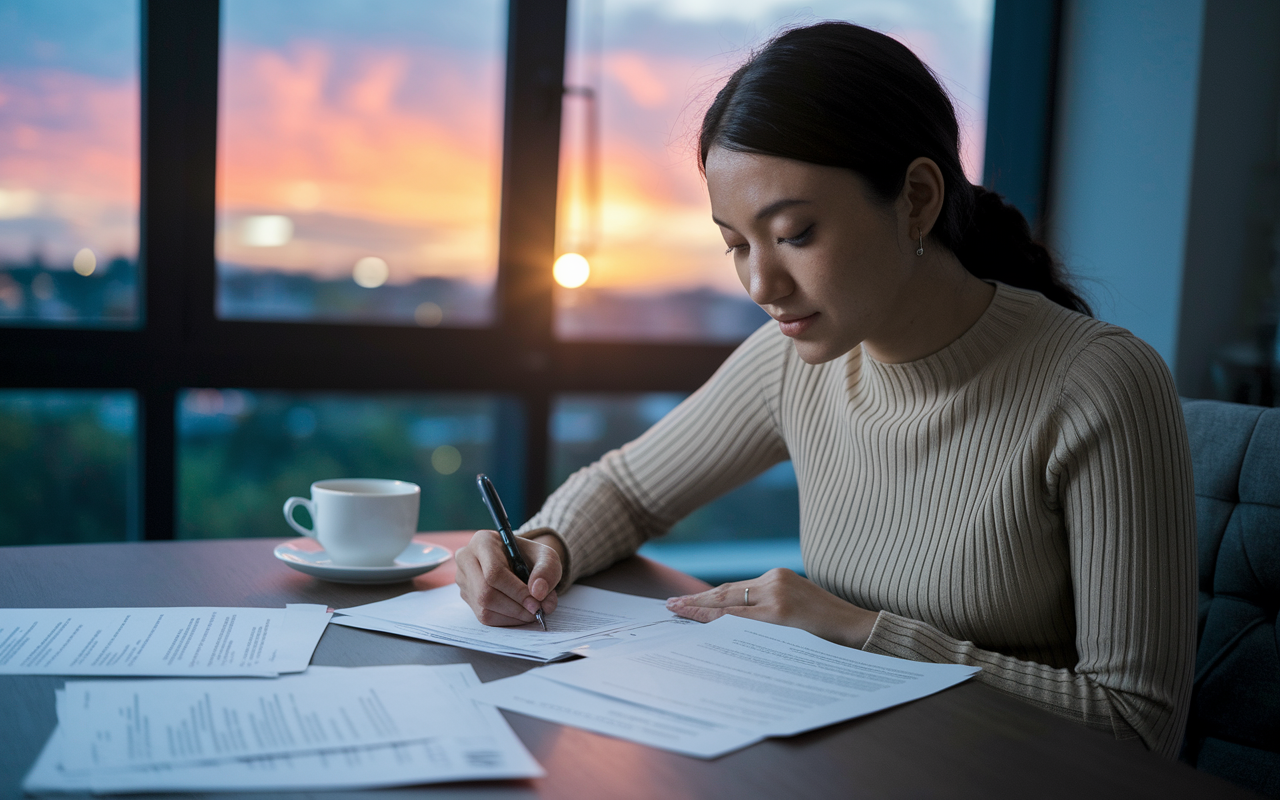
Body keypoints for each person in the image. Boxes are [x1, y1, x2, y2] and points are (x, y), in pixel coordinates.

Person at [455, 21, 1195, 758]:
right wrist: (540, 546)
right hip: (851, 762)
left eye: (795, 234)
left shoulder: (1099, 384)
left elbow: (1137, 723)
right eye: (737, 245)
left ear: (915, 198)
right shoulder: (794, 360)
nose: (760, 284)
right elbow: (628, 490)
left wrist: (858, 631)